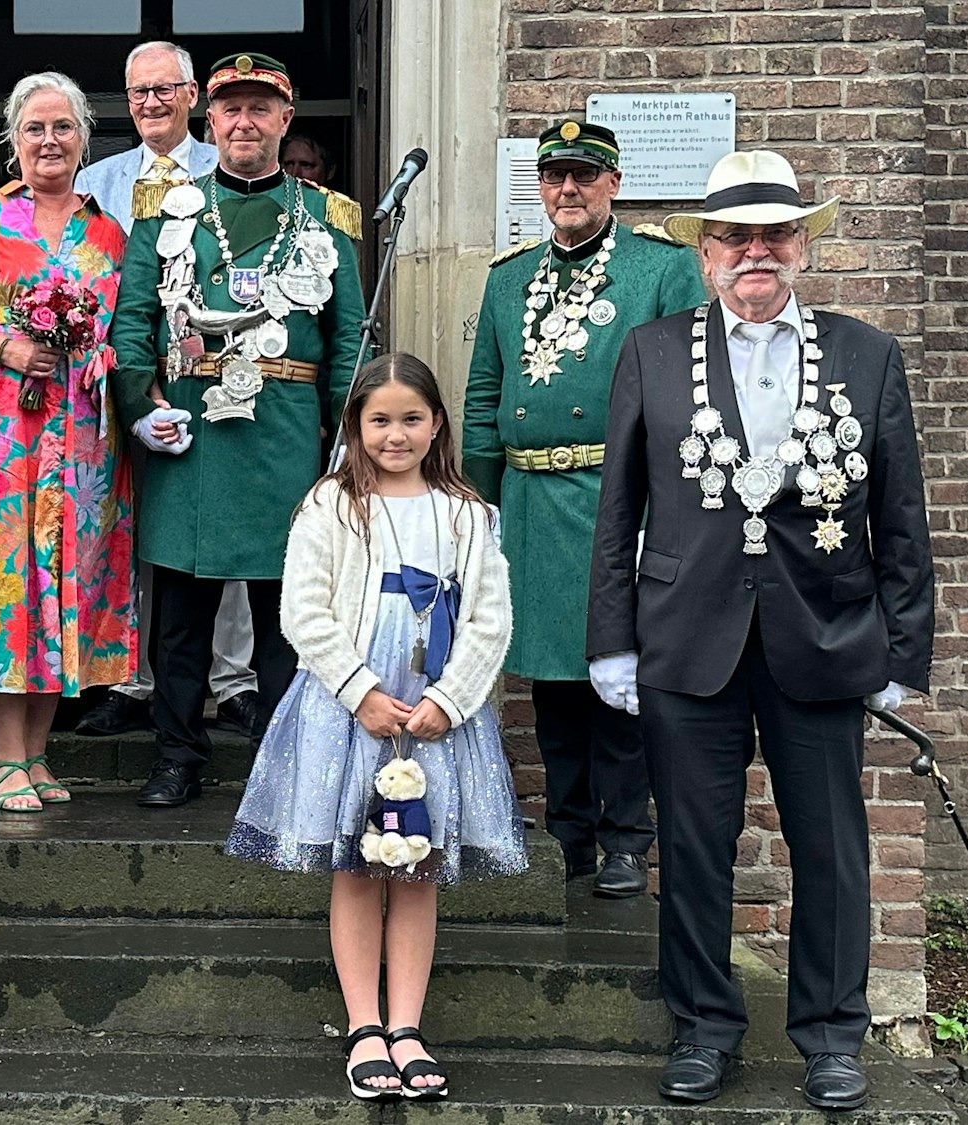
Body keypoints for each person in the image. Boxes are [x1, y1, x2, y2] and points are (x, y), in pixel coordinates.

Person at [587, 150, 934, 1111]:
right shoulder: (653, 349)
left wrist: (902, 651)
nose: (756, 253)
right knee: (695, 846)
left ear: (802, 247)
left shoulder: (867, 354)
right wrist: (612, 641)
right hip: (685, 638)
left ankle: (831, 1035)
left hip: (823, 638)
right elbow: (618, 510)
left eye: (775, 235)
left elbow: (903, 516)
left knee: (830, 846)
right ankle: (703, 1025)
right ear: (705, 253)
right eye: (735, 236)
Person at [228, 353, 526, 1102]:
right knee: (359, 867)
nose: (396, 434)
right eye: (380, 419)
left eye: (412, 418)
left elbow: (490, 620)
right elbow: (304, 609)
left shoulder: (467, 512)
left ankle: (408, 1025)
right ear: (356, 425)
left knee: (418, 866)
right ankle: (364, 1025)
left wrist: (451, 700)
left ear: (437, 425)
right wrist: (359, 690)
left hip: (434, 715)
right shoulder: (331, 504)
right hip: (350, 712)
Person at [108, 51, 365, 808]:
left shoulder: (326, 214)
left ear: (286, 121)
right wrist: (138, 405)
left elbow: (350, 334)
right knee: (181, 617)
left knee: (284, 616)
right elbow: (132, 322)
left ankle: (281, 759)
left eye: (261, 108)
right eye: (231, 108)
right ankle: (176, 754)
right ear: (208, 119)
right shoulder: (164, 214)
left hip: (283, 431)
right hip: (190, 430)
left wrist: (345, 436)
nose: (244, 121)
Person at [460, 120, 707, 898]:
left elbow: (686, 396)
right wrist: (477, 508)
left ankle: (627, 837)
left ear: (613, 183)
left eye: (584, 176)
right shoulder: (508, 279)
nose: (567, 189)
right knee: (552, 683)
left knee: (619, 677)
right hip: (530, 503)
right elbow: (483, 401)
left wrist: (667, 513)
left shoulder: (660, 269)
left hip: (617, 498)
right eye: (555, 176)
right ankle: (568, 832)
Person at [0, 71, 135, 813]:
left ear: (85, 139)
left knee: (64, 594)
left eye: (64, 127)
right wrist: (10, 349)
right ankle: (6, 757)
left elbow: (124, 326)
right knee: (4, 589)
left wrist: (103, 352)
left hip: (81, 445)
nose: (50, 141)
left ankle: (40, 754)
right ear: (12, 141)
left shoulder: (109, 232)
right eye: (35, 128)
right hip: (0, 440)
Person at [69, 40, 260, 742]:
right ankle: (131, 677)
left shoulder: (228, 170)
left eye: (164, 89)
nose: (151, 102)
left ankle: (233, 679)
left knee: (228, 533)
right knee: (135, 531)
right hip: (117, 379)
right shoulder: (98, 180)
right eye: (139, 91)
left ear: (191, 97)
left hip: (210, 376)